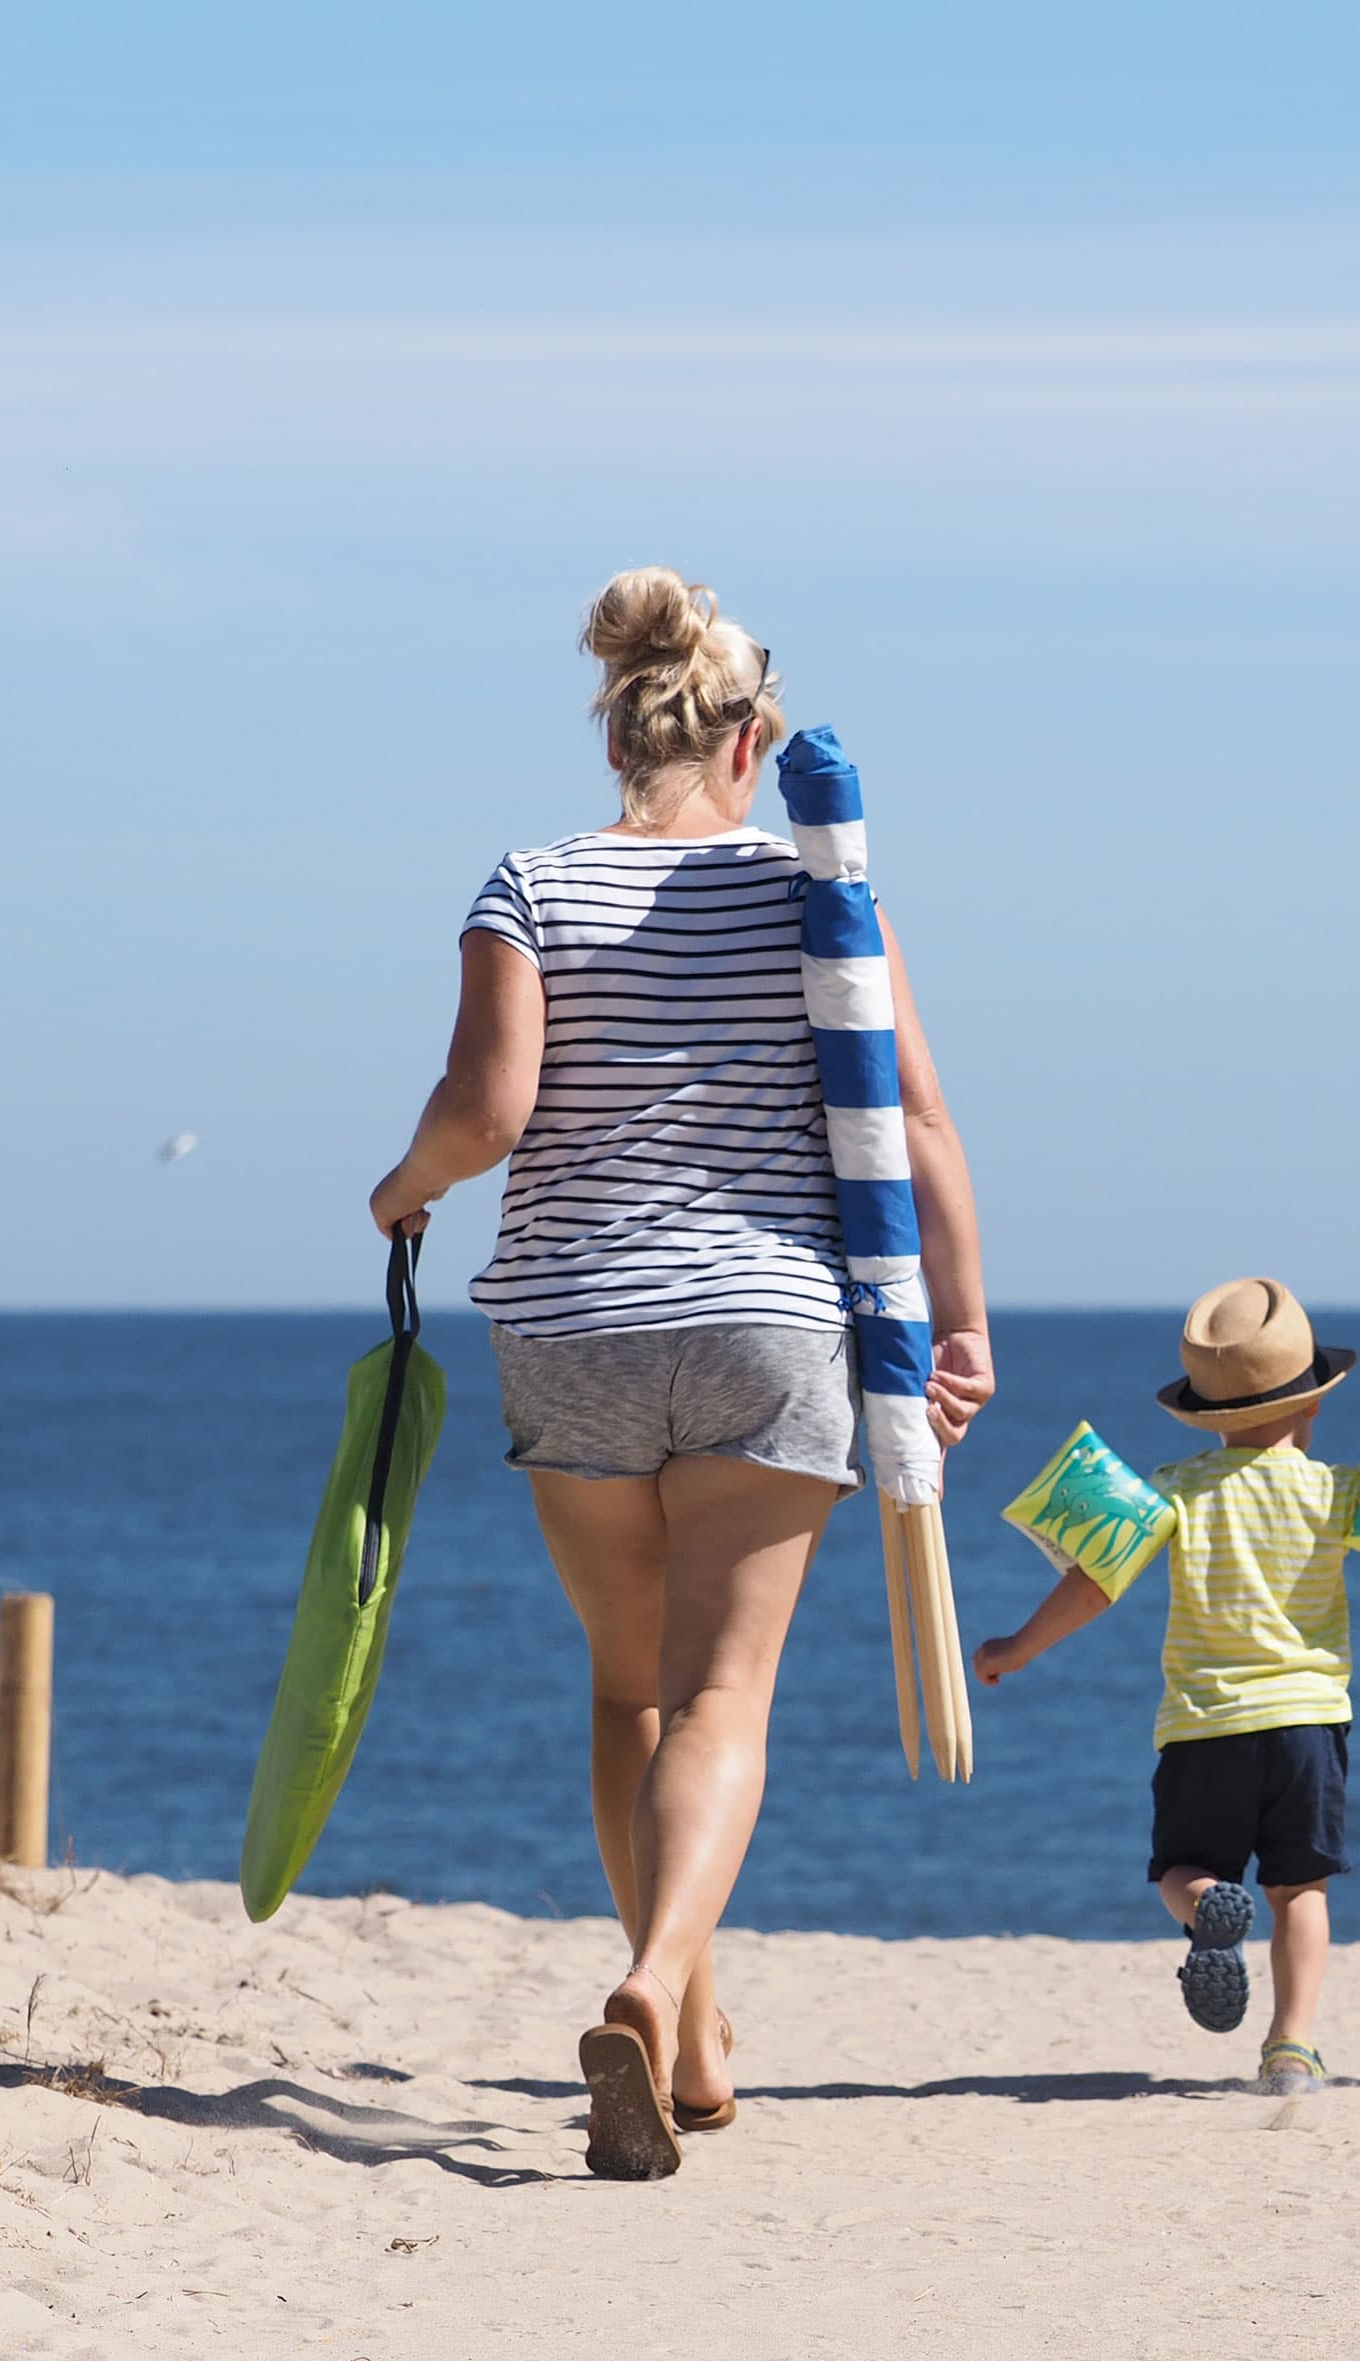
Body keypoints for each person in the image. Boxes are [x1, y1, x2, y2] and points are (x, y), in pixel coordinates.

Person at [368, 567, 994, 2179]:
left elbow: (488, 1107)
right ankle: (657, 1988)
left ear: (615, 737)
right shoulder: (817, 898)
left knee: (626, 1685)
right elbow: (914, 1121)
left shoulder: (527, 884)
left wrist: (404, 1188)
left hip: (571, 1321)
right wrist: (964, 1325)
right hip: (766, 1320)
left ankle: (693, 2040)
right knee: (722, 1695)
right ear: (748, 741)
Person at [970, 1278, 1360, 2096]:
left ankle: (1206, 1902)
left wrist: (1015, 1648)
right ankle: (1290, 2047)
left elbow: (1094, 1581)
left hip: (1202, 1725)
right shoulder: (1336, 1491)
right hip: (1309, 1726)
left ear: (1204, 1414)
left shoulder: (1175, 1489)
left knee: (1182, 1865)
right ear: (1314, 1406)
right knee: (1299, 1889)